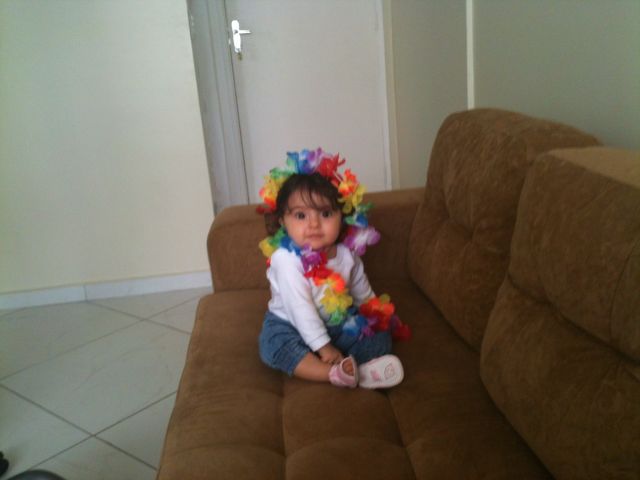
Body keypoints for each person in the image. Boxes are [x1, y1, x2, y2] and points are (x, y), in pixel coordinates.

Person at [257, 148, 410, 389]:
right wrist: (324, 347)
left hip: (336, 323)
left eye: (326, 213)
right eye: (300, 215)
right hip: (289, 324)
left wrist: (378, 316)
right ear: (282, 221)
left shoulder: (347, 254)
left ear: (343, 216)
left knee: (379, 336)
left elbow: (362, 292)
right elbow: (299, 308)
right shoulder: (285, 260)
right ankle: (330, 373)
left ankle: (356, 370)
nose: (314, 224)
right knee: (274, 345)